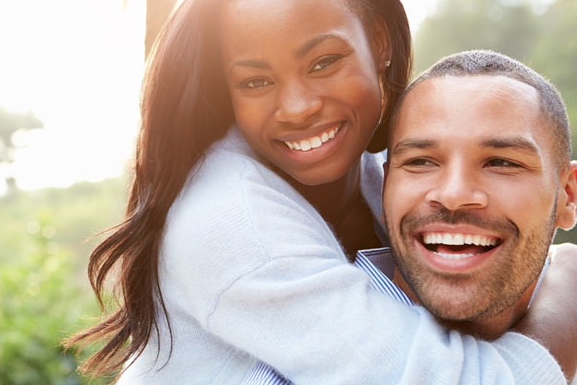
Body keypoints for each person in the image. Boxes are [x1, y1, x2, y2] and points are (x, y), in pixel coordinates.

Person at [66, 0, 577, 383]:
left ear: (379, 42)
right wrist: (563, 299)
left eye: (322, 62)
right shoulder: (230, 217)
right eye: (255, 82)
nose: (296, 108)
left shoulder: (385, 177)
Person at [247, 50, 577, 384]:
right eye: (421, 161)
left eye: (501, 163)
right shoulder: (297, 372)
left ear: (568, 196)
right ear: (386, 185)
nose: (454, 194)